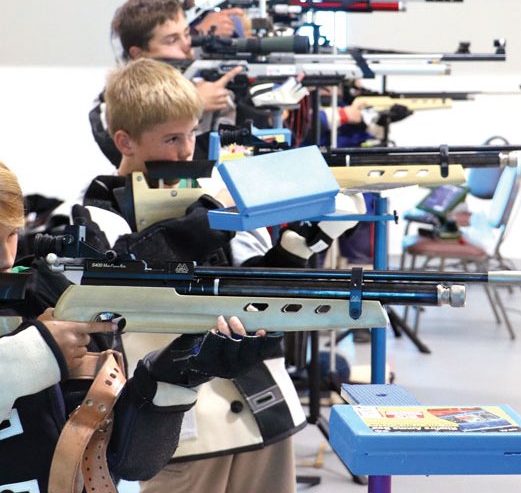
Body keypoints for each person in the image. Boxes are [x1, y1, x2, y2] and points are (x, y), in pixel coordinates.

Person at [0, 127, 276, 493]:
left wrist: (177, 375)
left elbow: (128, 461)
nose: (6, 259)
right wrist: (31, 357)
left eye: (10, 235)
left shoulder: (50, 292)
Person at [78, 59, 362, 493]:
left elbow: (250, 291)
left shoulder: (206, 199)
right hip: (181, 426)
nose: (185, 152)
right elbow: (130, 278)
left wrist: (299, 247)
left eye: (191, 134)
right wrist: (209, 218)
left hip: (260, 412)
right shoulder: (98, 212)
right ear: (124, 141)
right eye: (171, 139)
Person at [91, 0, 244, 167]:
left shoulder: (208, 82)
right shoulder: (113, 100)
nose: (186, 46)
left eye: (187, 34)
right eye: (172, 40)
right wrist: (191, 103)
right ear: (138, 54)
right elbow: (123, 154)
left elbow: (234, 154)